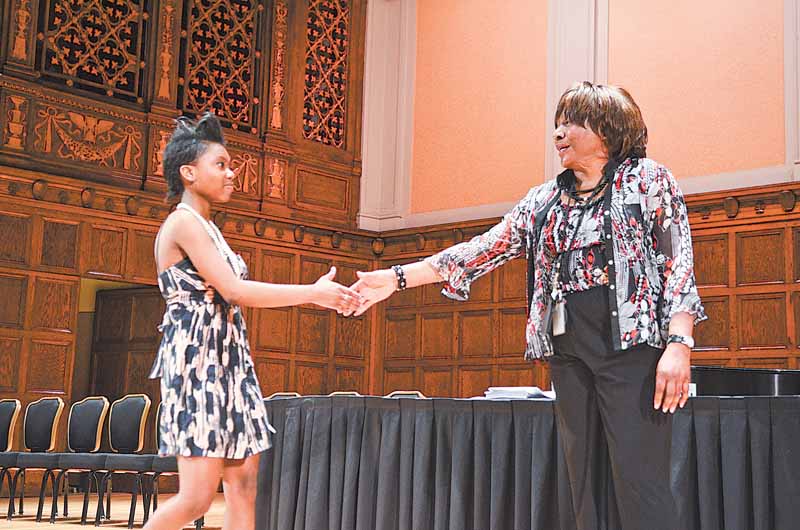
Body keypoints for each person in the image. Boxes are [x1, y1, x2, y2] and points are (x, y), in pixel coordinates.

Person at [352, 82, 706, 530]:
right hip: (569, 353)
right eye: (557, 123)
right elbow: (480, 250)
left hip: (631, 351)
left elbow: (678, 264)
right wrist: (396, 278)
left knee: (640, 485)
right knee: (585, 488)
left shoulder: (649, 180)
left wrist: (679, 344)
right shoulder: (544, 201)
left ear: (607, 129)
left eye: (572, 122)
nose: (559, 132)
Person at [144, 113, 362, 530]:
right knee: (196, 499)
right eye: (221, 165)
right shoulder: (182, 223)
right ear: (189, 173)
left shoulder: (210, 227)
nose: (232, 174)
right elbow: (235, 291)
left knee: (244, 487)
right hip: (198, 367)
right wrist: (313, 293)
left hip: (231, 364)